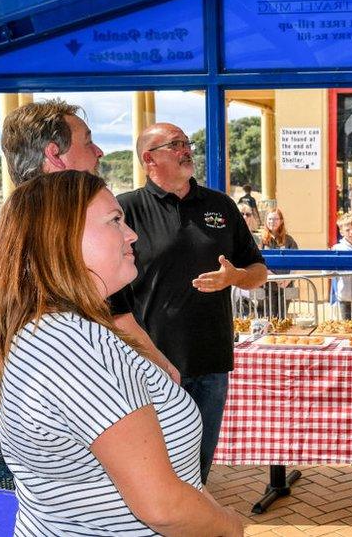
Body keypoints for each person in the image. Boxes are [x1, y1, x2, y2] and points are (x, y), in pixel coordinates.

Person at [0, 171, 243, 535]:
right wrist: (232, 527)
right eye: (115, 221)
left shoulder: (45, 329)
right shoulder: (78, 347)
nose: (132, 234)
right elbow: (162, 507)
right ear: (61, 239)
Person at [0, 99, 180, 382]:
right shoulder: (75, 225)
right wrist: (164, 370)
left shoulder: (19, 218)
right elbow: (118, 316)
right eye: (88, 142)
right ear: (55, 155)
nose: (99, 152)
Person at [111, 122, 267, 484]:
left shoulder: (221, 206)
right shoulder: (126, 210)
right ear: (150, 158)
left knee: (198, 469)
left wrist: (235, 278)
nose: (187, 150)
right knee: (153, 473)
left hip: (211, 363)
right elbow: (108, 293)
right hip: (149, 367)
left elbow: (259, 271)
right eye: (176, 144)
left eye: (188, 143)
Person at [260, 208, 298, 319]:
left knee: (282, 317)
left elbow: (296, 261)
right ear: (266, 221)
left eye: (275, 219)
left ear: (281, 221)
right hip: (267, 285)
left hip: (285, 285)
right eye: (270, 219)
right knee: (269, 317)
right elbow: (257, 260)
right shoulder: (261, 240)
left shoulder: (289, 240)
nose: (272, 222)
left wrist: (288, 279)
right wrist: (272, 276)